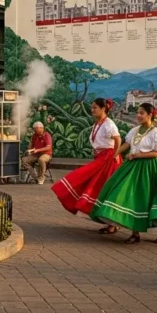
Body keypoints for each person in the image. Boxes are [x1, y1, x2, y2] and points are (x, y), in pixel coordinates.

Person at [90, 103, 157, 244]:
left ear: (150, 115)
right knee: (132, 196)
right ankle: (135, 233)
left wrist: (136, 156)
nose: (138, 116)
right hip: (132, 167)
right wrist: (113, 155)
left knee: (153, 196)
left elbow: (156, 153)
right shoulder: (134, 131)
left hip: (149, 168)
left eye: (141, 113)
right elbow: (126, 145)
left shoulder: (155, 133)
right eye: (137, 113)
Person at [52, 98, 122, 233]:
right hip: (101, 157)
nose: (92, 110)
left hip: (108, 159)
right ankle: (110, 223)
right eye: (92, 107)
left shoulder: (109, 124)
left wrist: (115, 155)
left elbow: (118, 139)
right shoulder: (98, 123)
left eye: (95, 107)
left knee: (101, 187)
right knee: (99, 188)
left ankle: (112, 224)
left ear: (103, 109)